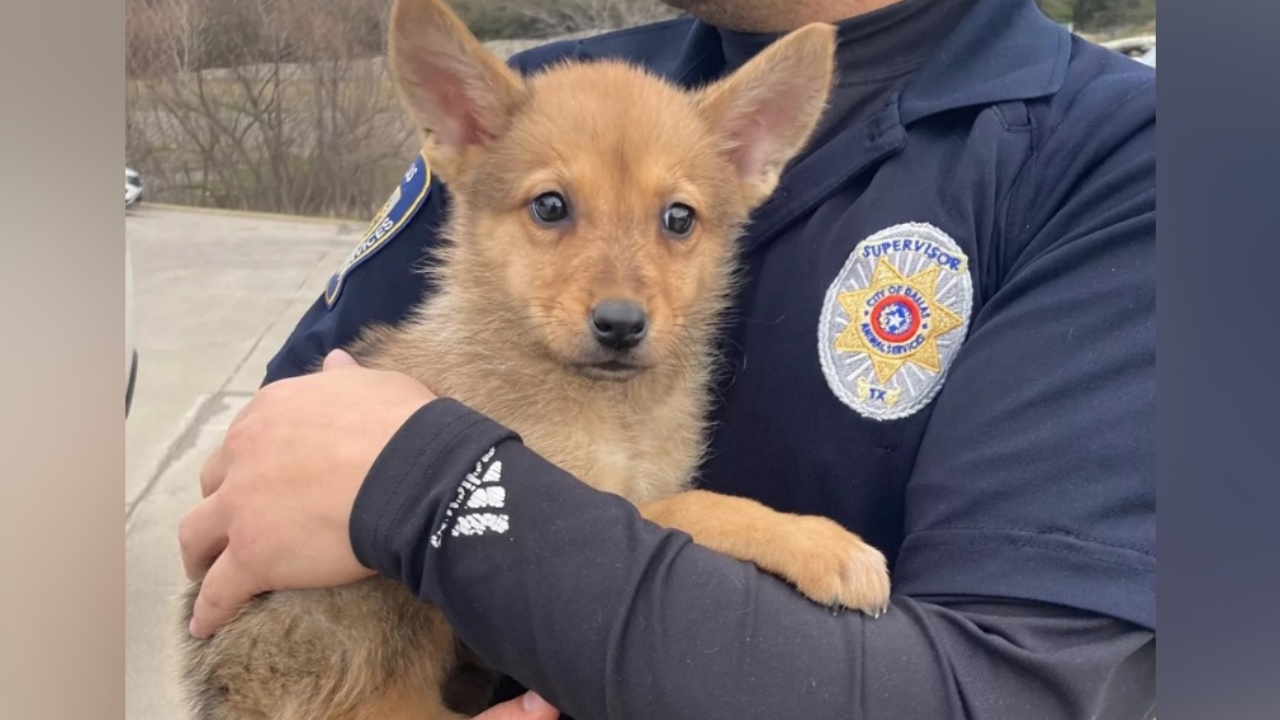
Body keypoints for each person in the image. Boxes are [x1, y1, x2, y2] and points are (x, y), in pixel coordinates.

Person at [178, 0, 1156, 718]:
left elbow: (1005, 692)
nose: (620, 288)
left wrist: (427, 486)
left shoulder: (1125, 157)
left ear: (751, 155)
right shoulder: (566, 82)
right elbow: (283, 470)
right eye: (554, 211)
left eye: (677, 219)